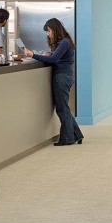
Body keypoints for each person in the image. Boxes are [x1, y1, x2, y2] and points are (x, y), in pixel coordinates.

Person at [25, 18, 83, 147]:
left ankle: (67, 138)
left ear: (55, 29)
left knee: (62, 109)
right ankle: (77, 135)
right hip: (65, 76)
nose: (48, 34)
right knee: (64, 108)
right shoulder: (65, 42)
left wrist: (32, 55)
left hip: (61, 77)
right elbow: (56, 57)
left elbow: (54, 58)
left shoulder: (64, 42)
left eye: (49, 31)